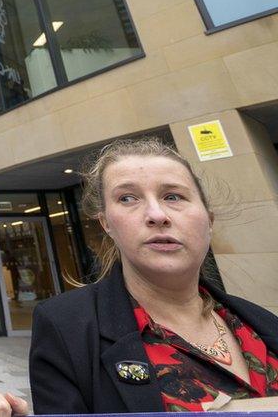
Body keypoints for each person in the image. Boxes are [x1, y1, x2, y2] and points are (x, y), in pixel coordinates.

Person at [29, 138, 278, 413]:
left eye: (173, 196)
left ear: (209, 220)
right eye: (127, 198)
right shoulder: (67, 329)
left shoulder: (264, 324)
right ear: (106, 223)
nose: (157, 215)